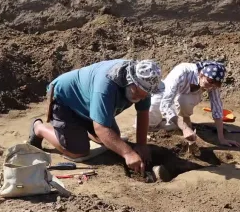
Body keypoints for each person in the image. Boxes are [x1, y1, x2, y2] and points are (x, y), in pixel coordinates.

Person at [28, 59, 165, 174]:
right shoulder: (106, 87)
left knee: (112, 139)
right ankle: (38, 128)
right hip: (64, 100)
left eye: (144, 95)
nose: (140, 98)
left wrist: (141, 145)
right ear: (131, 81)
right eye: (137, 93)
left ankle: (80, 129)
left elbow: (143, 113)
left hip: (88, 102)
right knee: (78, 152)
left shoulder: (145, 86)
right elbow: (101, 128)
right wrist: (128, 154)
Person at [148, 61, 240, 148]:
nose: (211, 86)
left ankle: (184, 119)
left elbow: (217, 107)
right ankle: (176, 125)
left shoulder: (212, 83)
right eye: (210, 81)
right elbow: (165, 103)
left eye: (216, 84)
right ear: (201, 75)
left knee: (184, 101)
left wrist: (222, 139)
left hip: (185, 95)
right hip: (164, 92)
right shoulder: (182, 73)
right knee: (152, 112)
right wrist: (184, 128)